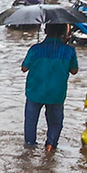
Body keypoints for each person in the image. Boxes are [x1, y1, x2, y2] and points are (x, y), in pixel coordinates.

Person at [21, 23, 78, 154]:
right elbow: (74, 71)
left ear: (45, 30)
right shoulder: (69, 51)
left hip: (35, 91)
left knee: (30, 122)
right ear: (64, 33)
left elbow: (24, 68)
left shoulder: (35, 49)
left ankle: (29, 148)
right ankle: (50, 146)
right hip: (56, 93)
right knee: (55, 122)